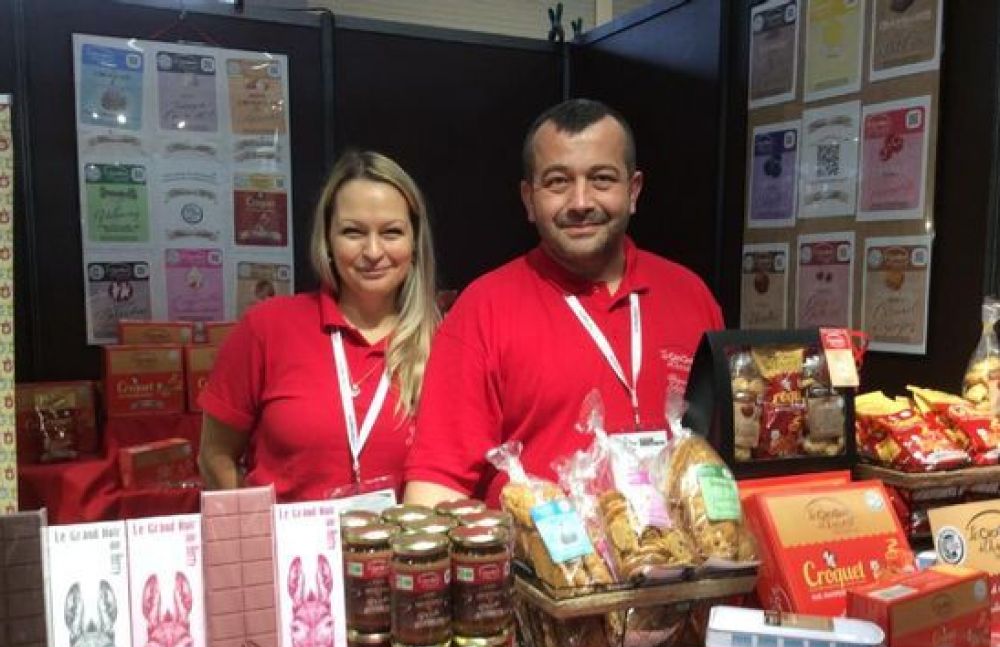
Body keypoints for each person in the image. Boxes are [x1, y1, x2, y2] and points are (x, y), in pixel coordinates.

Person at [404, 98, 723, 507]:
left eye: (602, 179)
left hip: (689, 563)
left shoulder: (690, 295)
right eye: (557, 182)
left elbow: (726, 455)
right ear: (528, 199)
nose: (580, 202)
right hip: (548, 565)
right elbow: (435, 488)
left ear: (634, 191)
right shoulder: (483, 309)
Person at [199, 150, 439, 501]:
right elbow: (214, 455)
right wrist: (252, 535)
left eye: (391, 232)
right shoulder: (268, 327)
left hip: (398, 555)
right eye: (353, 232)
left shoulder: (444, 343)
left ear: (414, 243)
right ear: (327, 240)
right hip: (289, 555)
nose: (373, 251)